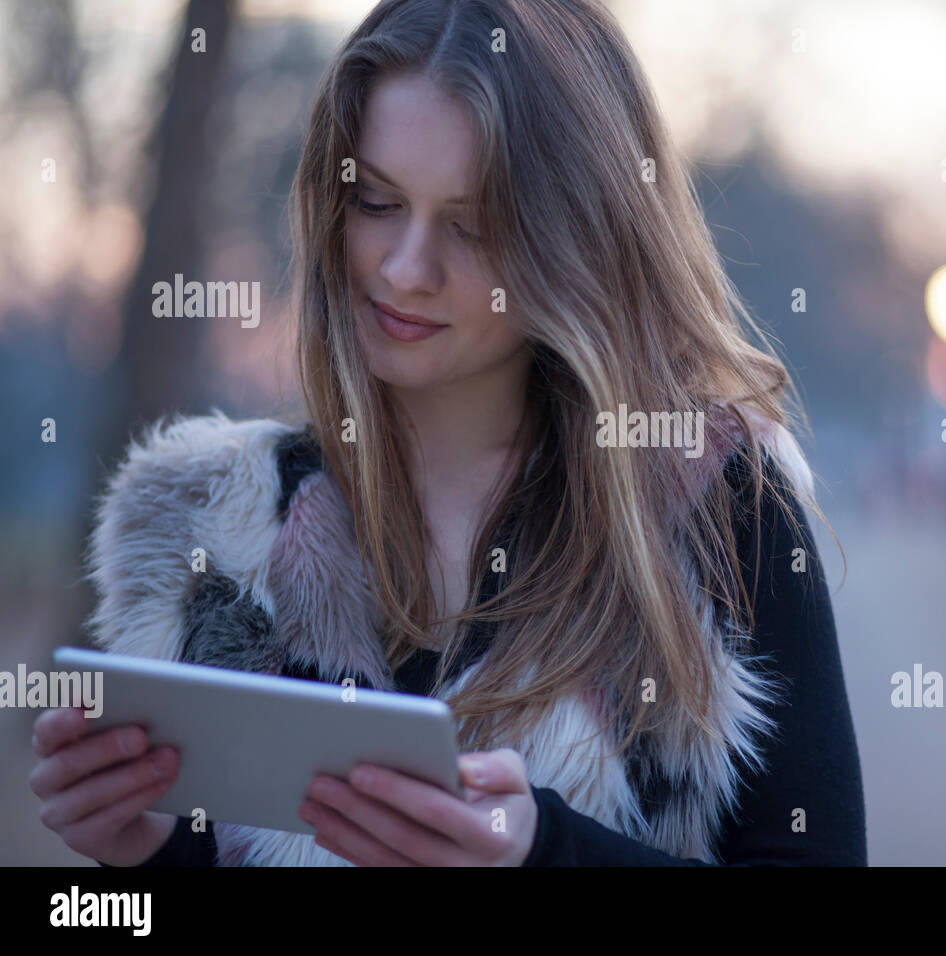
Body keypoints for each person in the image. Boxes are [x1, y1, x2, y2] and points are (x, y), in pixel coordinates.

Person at [28, 0, 866, 867]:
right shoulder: (212, 532)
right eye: (379, 202)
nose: (404, 270)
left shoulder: (714, 502)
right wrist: (153, 854)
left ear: (575, 237)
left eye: (470, 227)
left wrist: (545, 855)